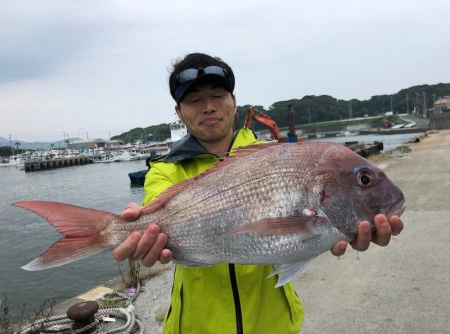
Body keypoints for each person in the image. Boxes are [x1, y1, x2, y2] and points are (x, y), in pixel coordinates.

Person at [112, 53, 404, 334]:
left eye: (217, 95)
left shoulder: (276, 155)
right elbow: (156, 216)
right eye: (194, 99)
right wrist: (142, 237)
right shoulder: (165, 170)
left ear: (234, 102)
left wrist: (337, 234)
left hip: (274, 326)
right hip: (195, 327)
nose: (208, 106)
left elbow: (299, 239)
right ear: (179, 112)